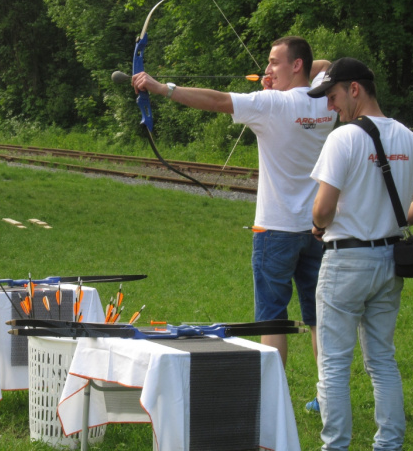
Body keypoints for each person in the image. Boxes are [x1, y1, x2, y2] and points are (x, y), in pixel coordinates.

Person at [132, 37, 335, 401]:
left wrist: (163, 89)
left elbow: (216, 100)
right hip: (315, 229)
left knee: (272, 318)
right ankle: (327, 396)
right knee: (317, 315)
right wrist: (284, 74)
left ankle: (273, 399)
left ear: (297, 65)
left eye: (274, 62)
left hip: (275, 229)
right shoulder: (327, 100)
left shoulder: (271, 103)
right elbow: (325, 63)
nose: (267, 70)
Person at [308, 57, 413, 450]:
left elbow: (322, 209)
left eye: (332, 97)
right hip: (388, 261)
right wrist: (391, 223)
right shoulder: (408, 137)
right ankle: (389, 445)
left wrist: (317, 227)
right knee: (382, 360)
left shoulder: (343, 139)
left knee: (333, 364)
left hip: (345, 262)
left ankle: (336, 446)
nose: (331, 108)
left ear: (354, 89)